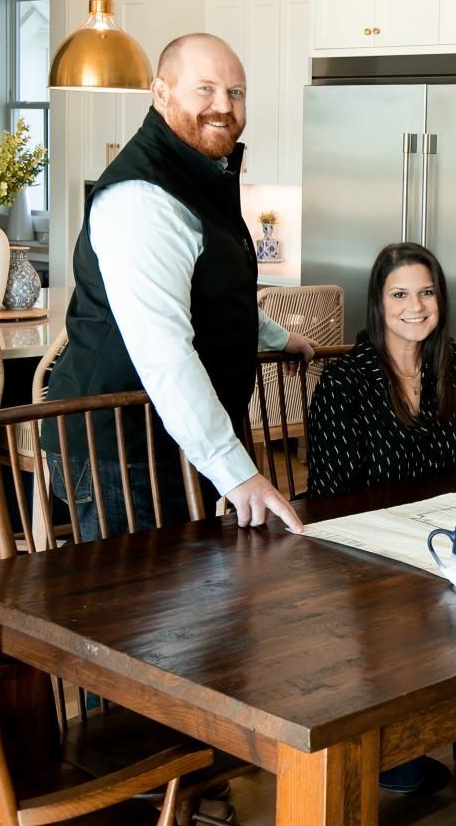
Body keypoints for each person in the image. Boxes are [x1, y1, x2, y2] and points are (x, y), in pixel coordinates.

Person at [44, 33, 313, 541]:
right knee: (137, 613)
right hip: (120, 447)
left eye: (236, 93)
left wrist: (275, 337)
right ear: (160, 93)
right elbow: (164, 351)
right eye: (205, 89)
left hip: (162, 436)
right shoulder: (142, 197)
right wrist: (237, 471)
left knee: (185, 606)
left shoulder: (198, 172)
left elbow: (205, 292)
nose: (223, 106)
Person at [307, 242, 456, 795]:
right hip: (370, 553)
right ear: (379, 303)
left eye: (425, 292)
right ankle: (392, 750)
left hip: (439, 535)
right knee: (440, 613)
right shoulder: (346, 381)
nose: (414, 305)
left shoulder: (447, 366)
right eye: (400, 294)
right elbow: (329, 500)